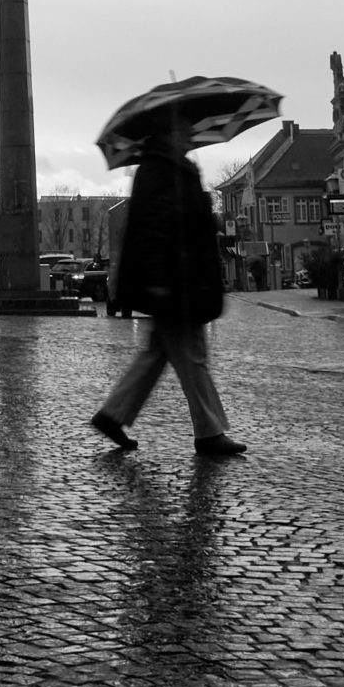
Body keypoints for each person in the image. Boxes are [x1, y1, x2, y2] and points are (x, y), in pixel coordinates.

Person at [91, 108, 247, 456]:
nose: (191, 137)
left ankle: (112, 415)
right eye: (184, 130)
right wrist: (160, 281)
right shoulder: (162, 171)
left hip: (179, 278)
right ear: (168, 133)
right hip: (177, 281)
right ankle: (209, 433)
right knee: (191, 357)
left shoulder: (170, 169)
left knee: (158, 355)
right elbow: (156, 230)